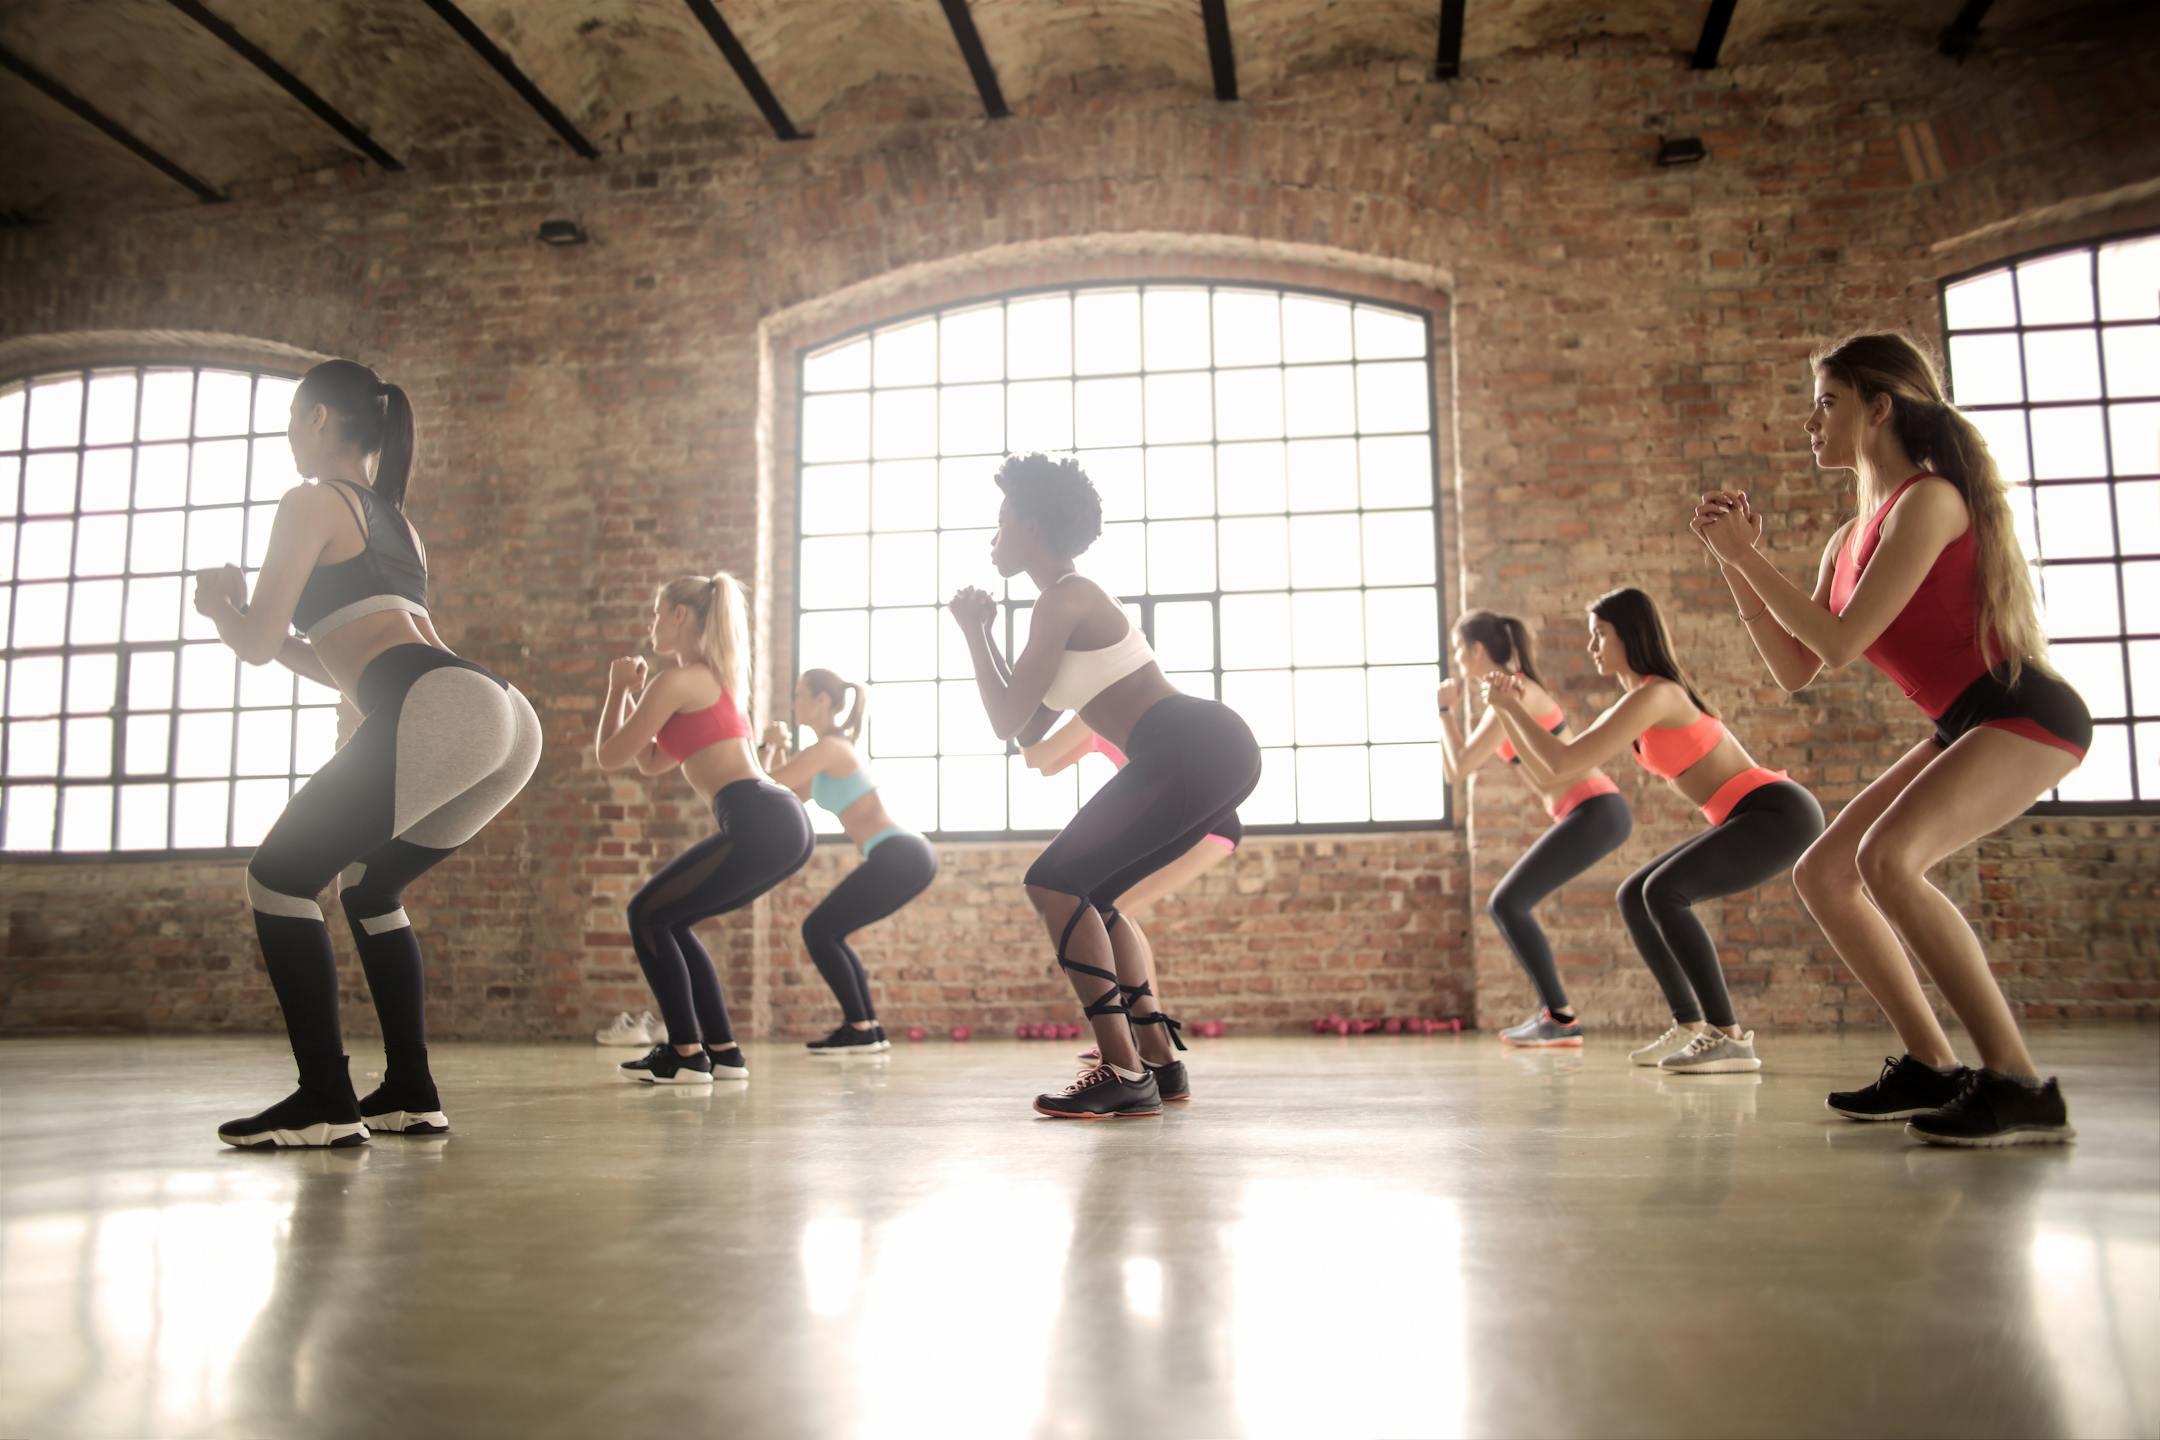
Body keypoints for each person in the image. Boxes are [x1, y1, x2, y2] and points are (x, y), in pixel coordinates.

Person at [1695, 331, 2089, 1146]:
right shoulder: (1848, 539)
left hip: (2023, 710)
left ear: (1880, 409)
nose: (1810, 422)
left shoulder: (1930, 501)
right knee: (1827, 871)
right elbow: (1798, 666)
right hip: (1963, 721)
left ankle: (2018, 1084)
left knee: (1887, 859)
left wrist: (1754, 555)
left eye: (1828, 402)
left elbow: (1842, 642)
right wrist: (1738, 565)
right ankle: (1930, 1066)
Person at [195, 359, 541, 1146]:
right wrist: (262, 629)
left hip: (439, 704)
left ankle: (324, 1098)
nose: (287, 435)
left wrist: (223, 606)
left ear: (320, 418)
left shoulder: (311, 500)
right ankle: (410, 1092)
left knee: (277, 879)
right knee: (369, 886)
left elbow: (253, 643)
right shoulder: (396, 522)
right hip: (502, 714)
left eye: (292, 419)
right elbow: (341, 663)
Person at [947, 453, 1262, 1118]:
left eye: (1002, 524)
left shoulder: (1067, 596)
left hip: (1188, 745)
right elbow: (1027, 727)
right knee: (1102, 897)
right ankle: (1159, 1065)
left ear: (1031, 527)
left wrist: (977, 634)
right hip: (1199, 749)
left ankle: (1122, 1069)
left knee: (1052, 883)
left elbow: (1004, 717)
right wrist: (990, 640)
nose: (994, 538)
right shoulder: (1059, 605)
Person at [1490, 588, 1825, 1074]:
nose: (1592, 647)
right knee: (1635, 894)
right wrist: (1506, 710)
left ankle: (1728, 1036)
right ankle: (1690, 1025)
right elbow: (1557, 771)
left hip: (1776, 812)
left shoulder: (1657, 694)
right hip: (1748, 815)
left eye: (1600, 635)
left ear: (1631, 634)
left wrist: (1512, 708)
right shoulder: (1637, 700)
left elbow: (1564, 759)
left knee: (1665, 891)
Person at [594, 572, 814, 1085]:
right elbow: (649, 760)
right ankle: (722, 1051)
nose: (652, 626)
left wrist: (615, 690)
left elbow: (610, 756)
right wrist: (627, 695)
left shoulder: (677, 680)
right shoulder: (712, 681)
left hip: (758, 816)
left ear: (678, 615)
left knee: (645, 913)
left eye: (656, 614)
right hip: (778, 817)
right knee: (670, 919)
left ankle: (686, 1053)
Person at [1436, 609, 1631, 1048]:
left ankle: (1559, 1018)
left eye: (1457, 649)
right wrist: (1448, 715)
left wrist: (1446, 712)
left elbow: (1461, 765)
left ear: (1476, 650)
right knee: (1509, 903)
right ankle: (1557, 1015)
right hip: (1588, 811)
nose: (1456, 659)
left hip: (1596, 808)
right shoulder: (1505, 693)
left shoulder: (1515, 691)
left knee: (1507, 902)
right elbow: (1456, 771)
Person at [1021, 714, 1241, 1070]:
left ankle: (1145, 1035)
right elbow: (1048, 765)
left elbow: (1036, 756)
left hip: (1204, 823)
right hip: (1201, 816)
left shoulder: (1092, 709)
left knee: (1114, 909)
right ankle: (1145, 1035)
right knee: (1113, 908)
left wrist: (1025, 717)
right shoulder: (1097, 722)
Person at [760, 669, 937, 1055]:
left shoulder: (830, 748)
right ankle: (866, 1027)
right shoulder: (828, 752)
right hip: (900, 854)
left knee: (819, 930)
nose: (794, 704)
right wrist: (773, 750)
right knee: (827, 931)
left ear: (823, 700)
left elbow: (767, 783)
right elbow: (781, 796)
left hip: (900, 852)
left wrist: (771, 746)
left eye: (800, 694)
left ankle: (859, 1026)